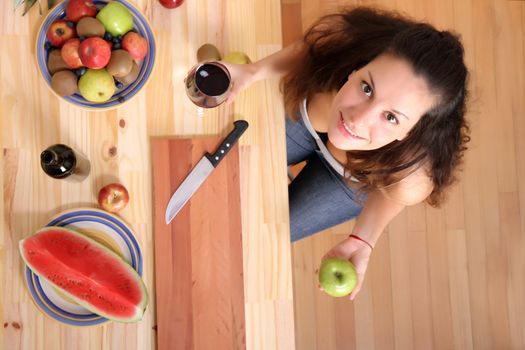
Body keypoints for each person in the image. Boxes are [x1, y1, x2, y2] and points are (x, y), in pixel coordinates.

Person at [221, 6, 470, 300]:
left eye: (391, 117)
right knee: (226, 174)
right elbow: (307, 51)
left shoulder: (413, 175)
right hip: (306, 123)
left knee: (257, 234)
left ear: (409, 132)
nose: (357, 120)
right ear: (357, 68)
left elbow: (390, 194)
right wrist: (253, 71)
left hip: (347, 179)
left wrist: (362, 239)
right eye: (366, 88)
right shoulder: (344, 38)